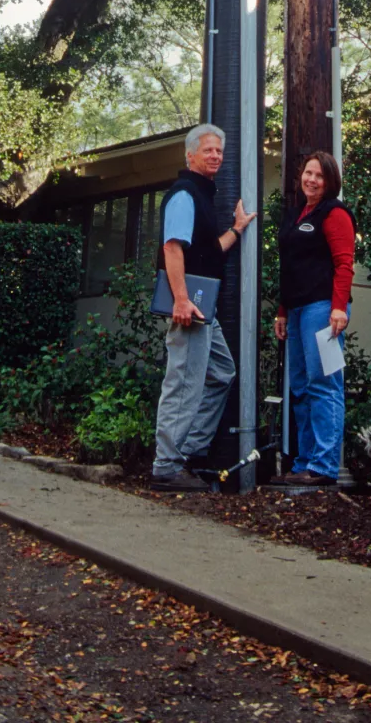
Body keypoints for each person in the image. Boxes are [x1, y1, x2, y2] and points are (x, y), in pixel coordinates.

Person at [149, 124, 256, 491]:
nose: (215, 156)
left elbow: (209, 252)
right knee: (183, 382)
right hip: (189, 306)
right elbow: (172, 248)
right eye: (208, 150)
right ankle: (167, 465)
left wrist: (237, 229)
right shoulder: (184, 194)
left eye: (219, 152)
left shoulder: (202, 196)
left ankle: (189, 451)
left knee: (220, 372)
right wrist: (180, 298)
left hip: (201, 307)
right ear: (190, 155)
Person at [274, 150, 355, 486]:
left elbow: (344, 264)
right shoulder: (295, 216)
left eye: (319, 175)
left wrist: (338, 307)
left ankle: (323, 466)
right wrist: (281, 310)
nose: (312, 180)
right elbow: (289, 268)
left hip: (324, 309)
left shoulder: (334, 214)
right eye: (308, 173)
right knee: (301, 386)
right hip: (296, 311)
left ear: (330, 181)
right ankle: (304, 462)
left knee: (325, 385)